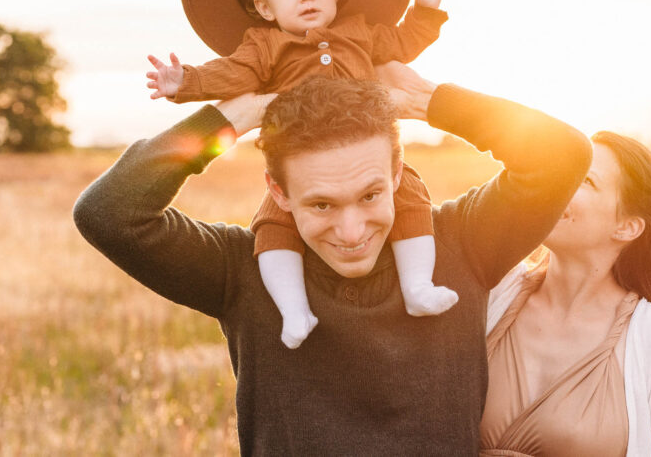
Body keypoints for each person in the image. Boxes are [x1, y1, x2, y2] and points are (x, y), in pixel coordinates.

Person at [74, 64, 592, 454]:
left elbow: (561, 154)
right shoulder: (243, 271)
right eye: (322, 204)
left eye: (370, 196)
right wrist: (236, 116)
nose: (351, 232)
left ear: (396, 175)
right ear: (278, 192)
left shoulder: (462, 244)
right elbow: (109, 212)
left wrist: (430, 101)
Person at [145, 0, 453, 348]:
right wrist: (185, 82)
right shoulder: (264, 45)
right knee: (274, 227)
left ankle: (417, 287)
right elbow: (232, 74)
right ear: (264, 7)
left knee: (410, 201)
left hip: (369, 155)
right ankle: (294, 311)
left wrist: (425, 10)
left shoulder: (361, 32)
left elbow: (404, 42)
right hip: (301, 164)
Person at [481, 131, 651, 456]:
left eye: (584, 180)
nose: (557, 186)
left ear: (626, 227)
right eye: (561, 173)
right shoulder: (492, 292)